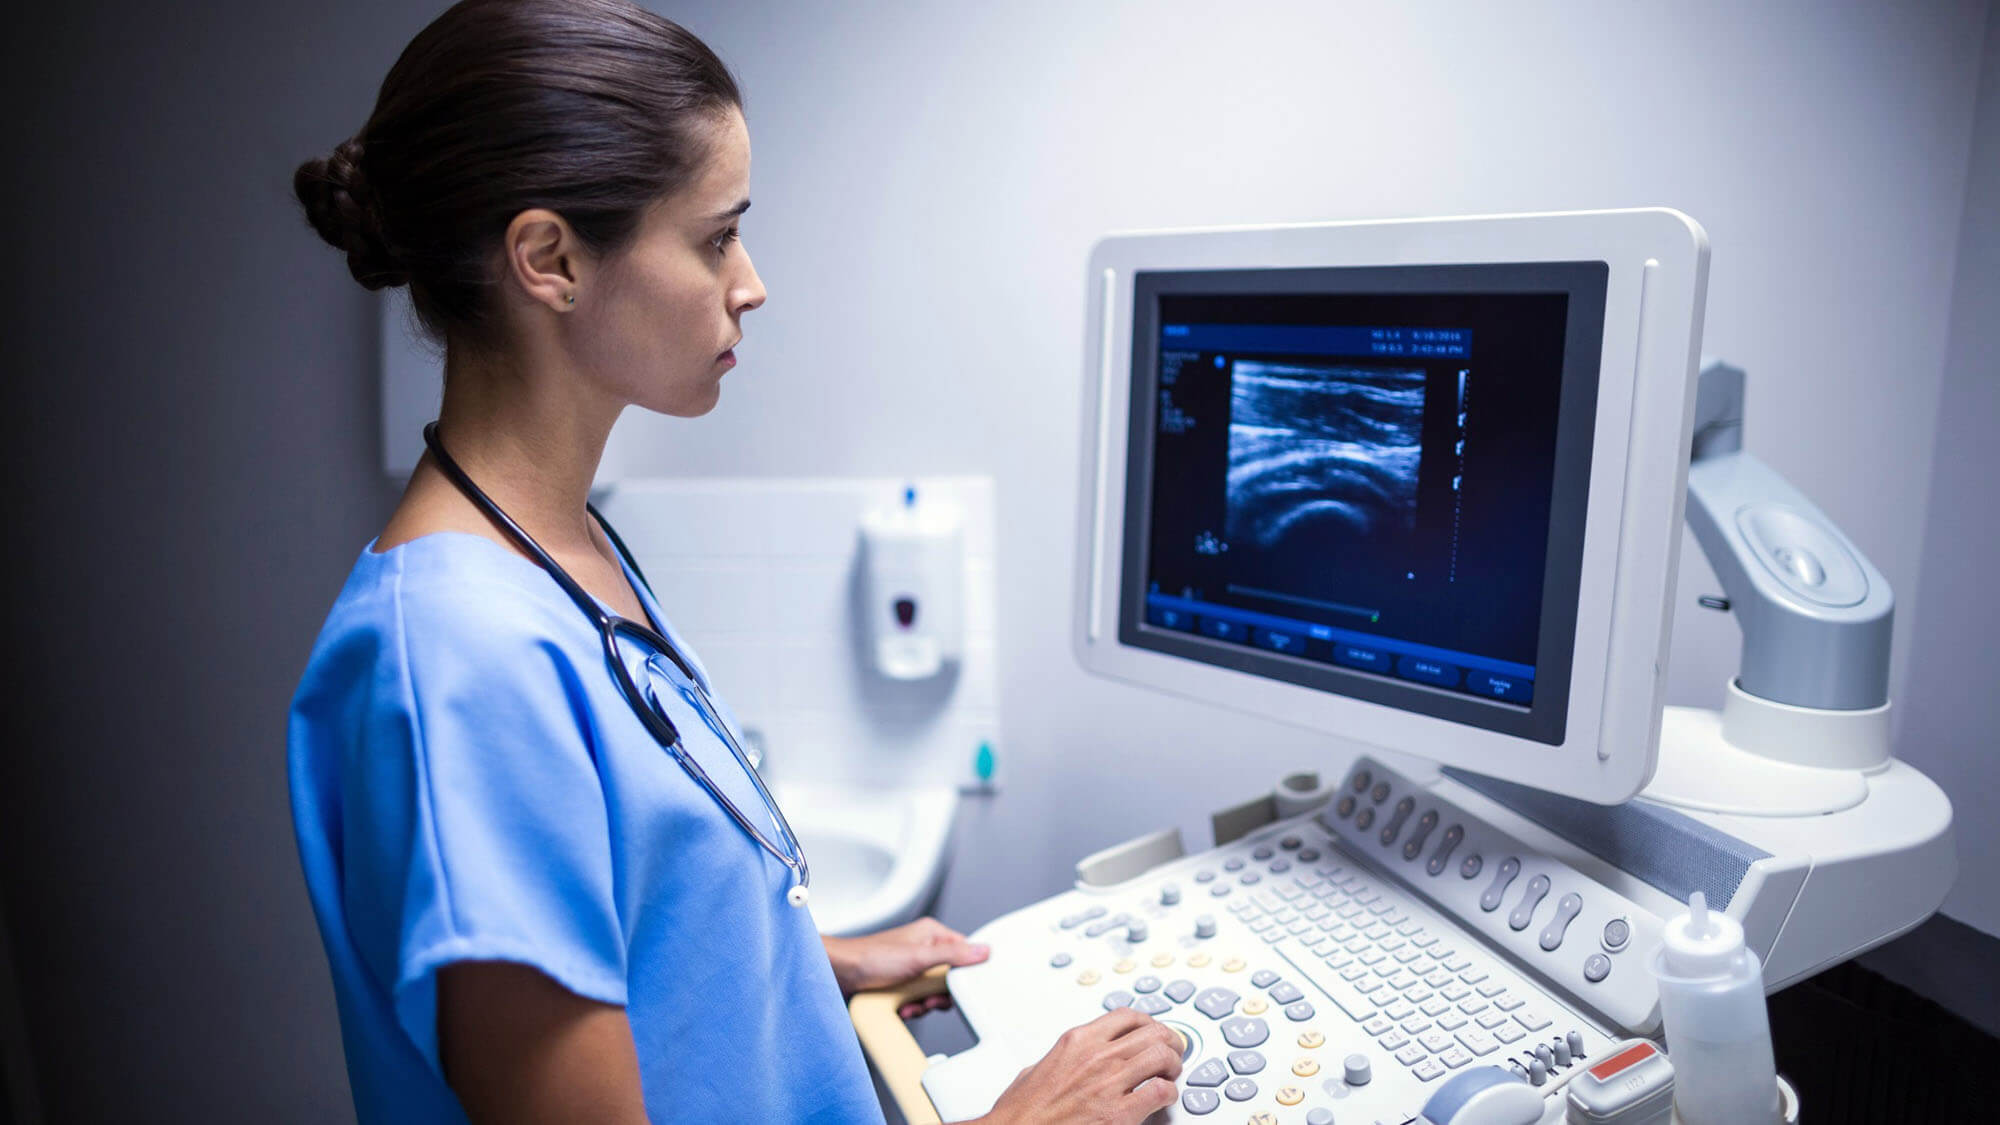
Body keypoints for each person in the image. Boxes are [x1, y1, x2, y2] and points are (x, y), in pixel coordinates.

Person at [286, 1, 1184, 1122]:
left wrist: (799, 960)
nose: (749, 282)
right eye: (715, 238)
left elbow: (636, 913)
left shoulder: (560, 548)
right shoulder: (457, 665)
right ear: (550, 259)